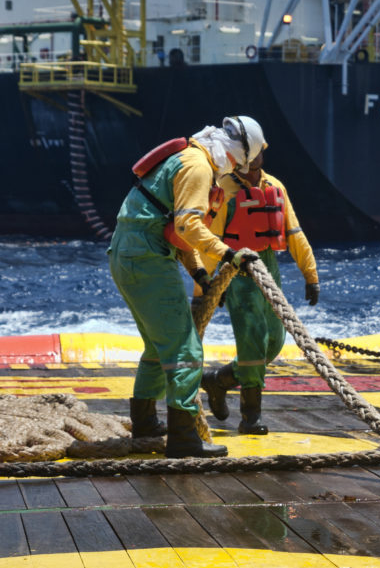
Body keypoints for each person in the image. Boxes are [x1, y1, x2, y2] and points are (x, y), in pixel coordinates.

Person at [108, 117, 262, 458]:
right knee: (185, 350)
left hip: (127, 254)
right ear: (238, 154)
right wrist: (229, 255)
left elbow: (175, 229)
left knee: (156, 346)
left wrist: (200, 275)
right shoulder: (199, 167)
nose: (235, 170)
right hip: (147, 258)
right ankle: (184, 437)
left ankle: (146, 421)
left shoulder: (191, 157)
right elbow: (188, 225)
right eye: (240, 164)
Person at [181, 116, 319, 435]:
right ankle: (251, 415)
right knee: (252, 339)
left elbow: (294, 232)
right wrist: (206, 287)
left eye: (255, 153)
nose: (251, 159)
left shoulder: (276, 188)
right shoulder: (223, 190)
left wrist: (310, 275)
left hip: (267, 268)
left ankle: (219, 381)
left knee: (275, 341)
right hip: (237, 270)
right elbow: (208, 241)